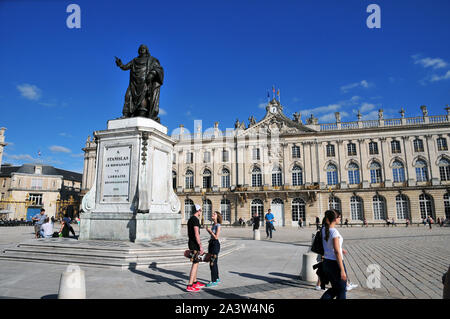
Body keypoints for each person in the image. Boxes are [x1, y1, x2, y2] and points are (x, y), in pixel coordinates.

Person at [320, 210, 347, 299]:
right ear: (335, 219)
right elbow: (336, 252)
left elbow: (329, 244)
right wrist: (342, 270)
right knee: (342, 289)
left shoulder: (324, 229)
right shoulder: (334, 231)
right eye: (339, 217)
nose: (340, 219)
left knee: (335, 289)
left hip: (327, 262)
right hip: (335, 264)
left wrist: (340, 248)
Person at [186, 204, 205, 292]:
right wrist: (200, 246)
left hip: (191, 242)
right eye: (200, 210)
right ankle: (190, 285)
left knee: (196, 262)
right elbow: (196, 234)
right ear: (198, 211)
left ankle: (195, 282)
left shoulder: (190, 219)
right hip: (194, 244)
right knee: (195, 263)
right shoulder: (196, 220)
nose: (201, 212)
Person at [205, 211, 222, 287]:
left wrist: (210, 231)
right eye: (212, 213)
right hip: (211, 243)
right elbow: (212, 236)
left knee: (212, 263)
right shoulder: (213, 224)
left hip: (215, 244)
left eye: (214, 214)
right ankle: (217, 278)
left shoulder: (218, 225)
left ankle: (213, 281)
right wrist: (209, 232)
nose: (212, 214)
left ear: (217, 217)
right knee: (214, 262)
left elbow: (216, 237)